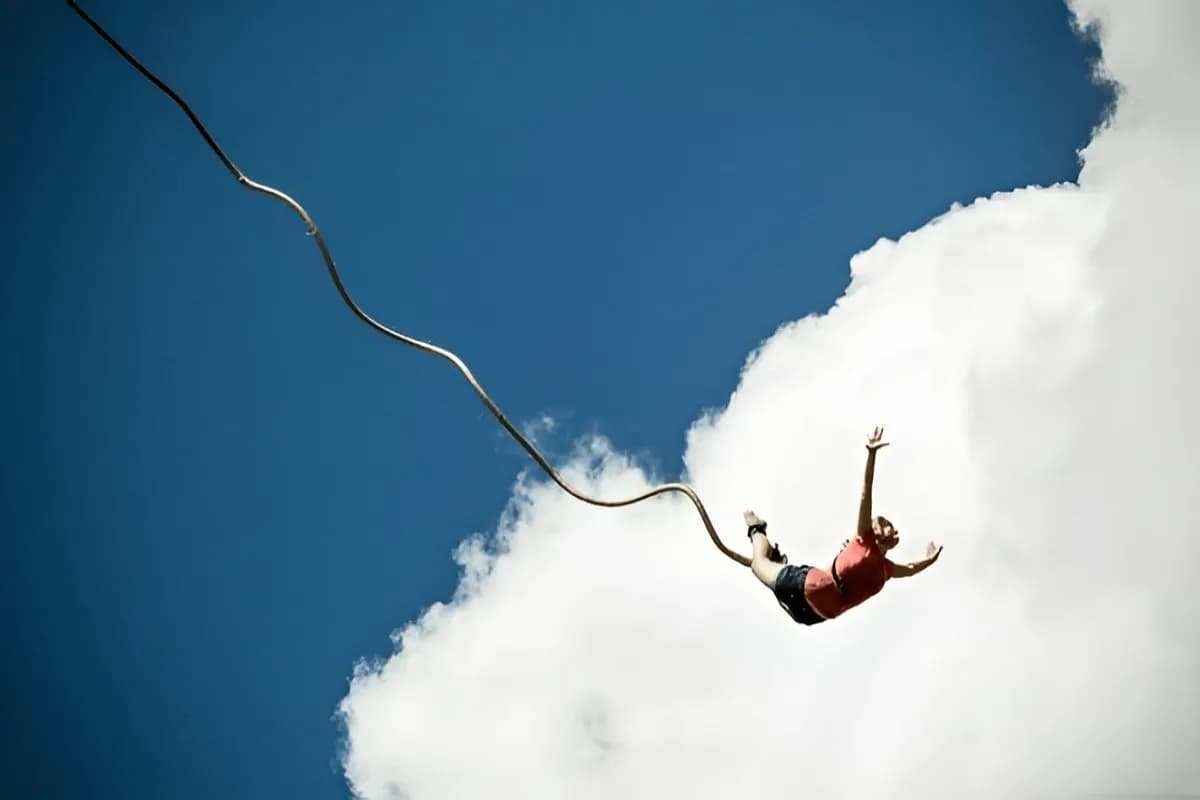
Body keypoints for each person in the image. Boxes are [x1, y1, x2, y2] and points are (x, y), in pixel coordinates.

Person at [745, 427, 942, 625]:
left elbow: (911, 568)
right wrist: (871, 455)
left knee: (771, 579)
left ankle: (775, 560)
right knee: (758, 563)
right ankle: (757, 529)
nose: (895, 530)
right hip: (809, 585)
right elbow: (866, 491)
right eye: (889, 525)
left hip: (812, 616)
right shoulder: (863, 539)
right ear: (877, 530)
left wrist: (929, 560)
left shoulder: (886, 569)